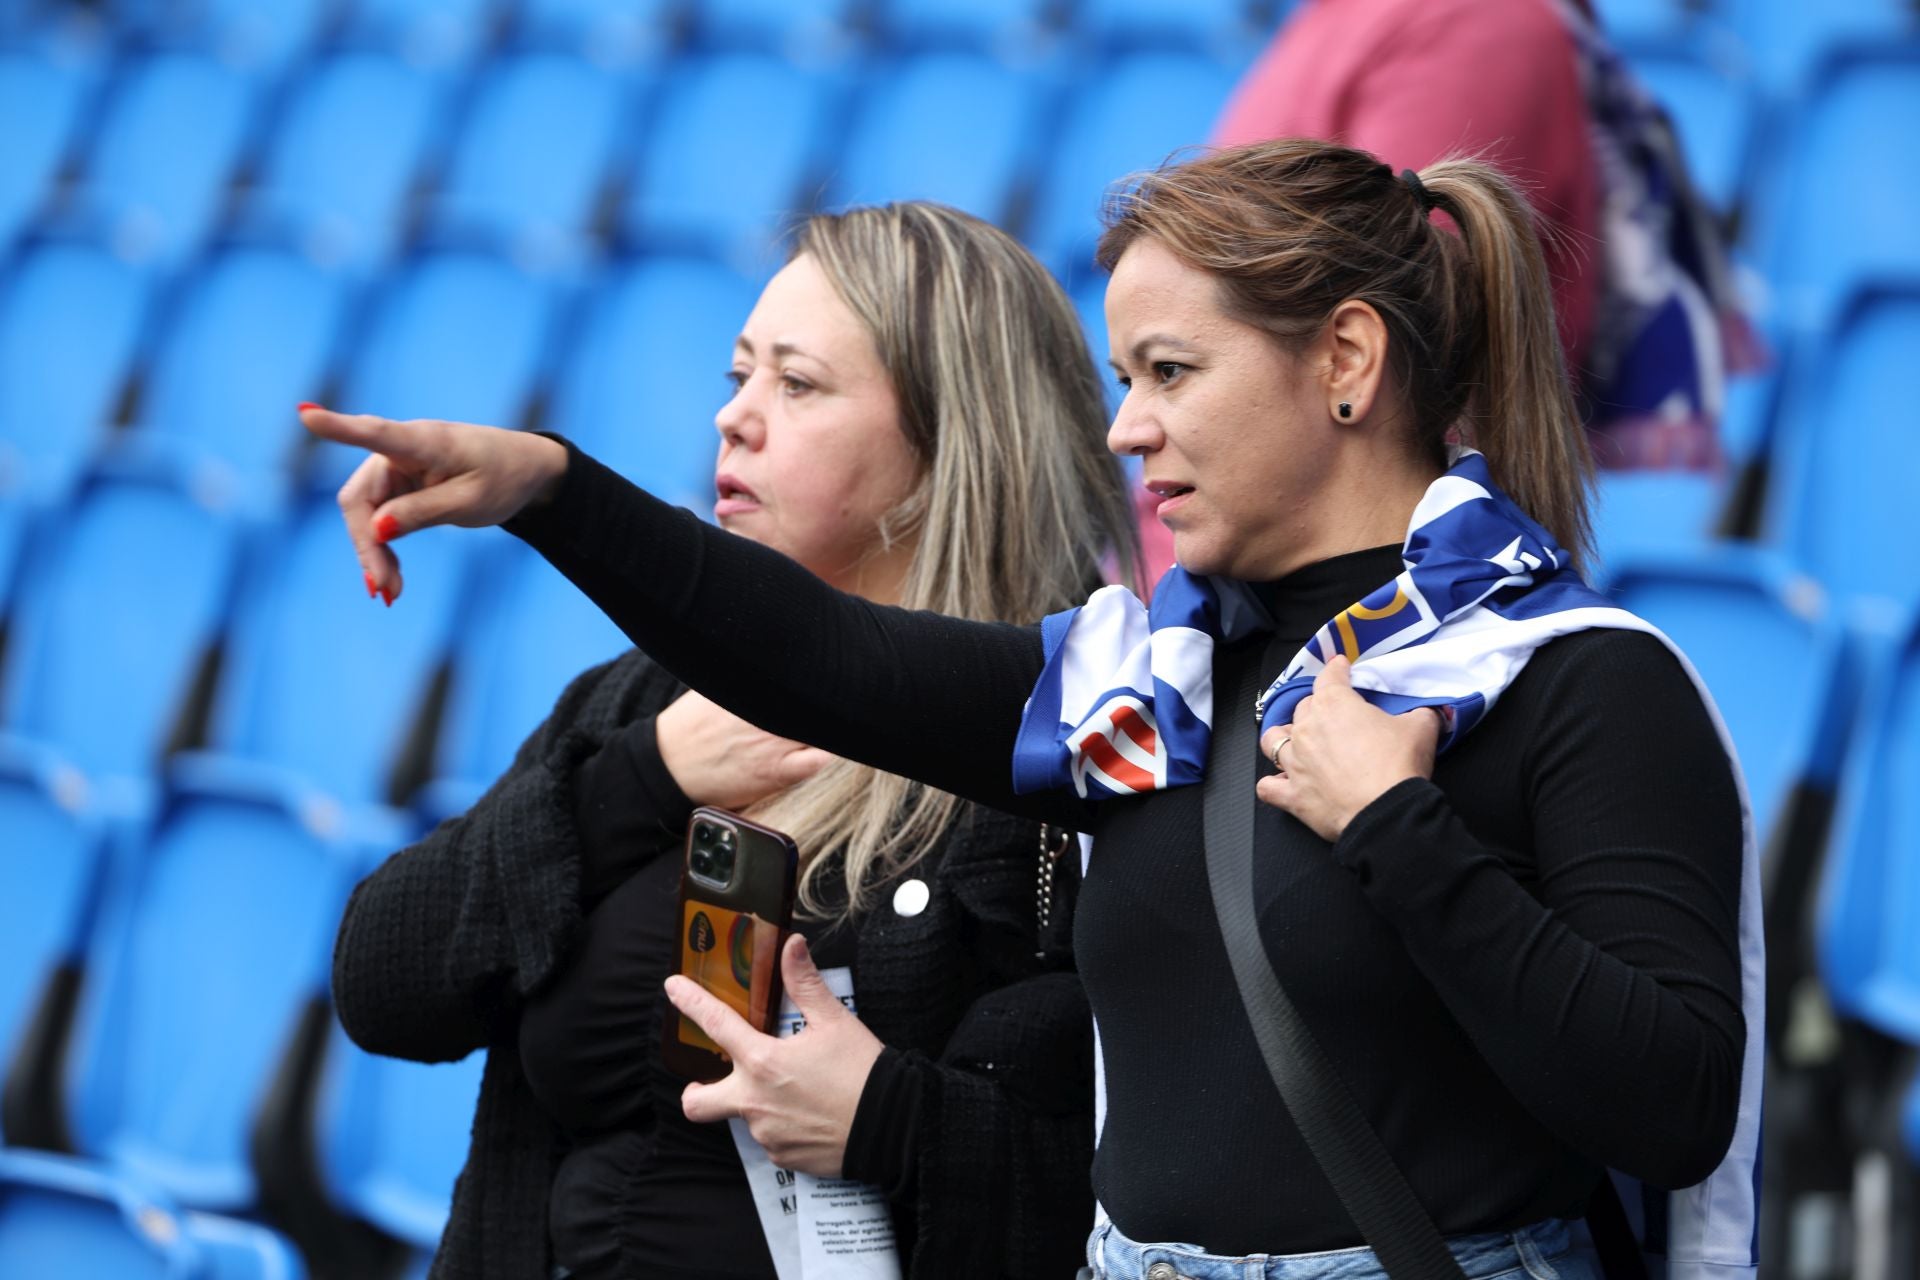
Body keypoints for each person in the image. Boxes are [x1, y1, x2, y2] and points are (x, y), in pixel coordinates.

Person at [308, 139, 1761, 1280]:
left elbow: (1675, 1102)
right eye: (1125, 377)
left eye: (1172, 373)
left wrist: (1398, 829)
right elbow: (820, 657)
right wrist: (552, 492)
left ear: (1347, 364)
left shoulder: (1571, 676)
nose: (1128, 426)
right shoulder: (1150, 687)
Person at [324, 201, 1137, 1280]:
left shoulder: (1056, 743)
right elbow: (385, 986)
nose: (735, 419)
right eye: (737, 377)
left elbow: (1095, 1191)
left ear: (954, 445)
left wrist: (894, 1118)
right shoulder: (643, 700)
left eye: (795, 385)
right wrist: (639, 780)